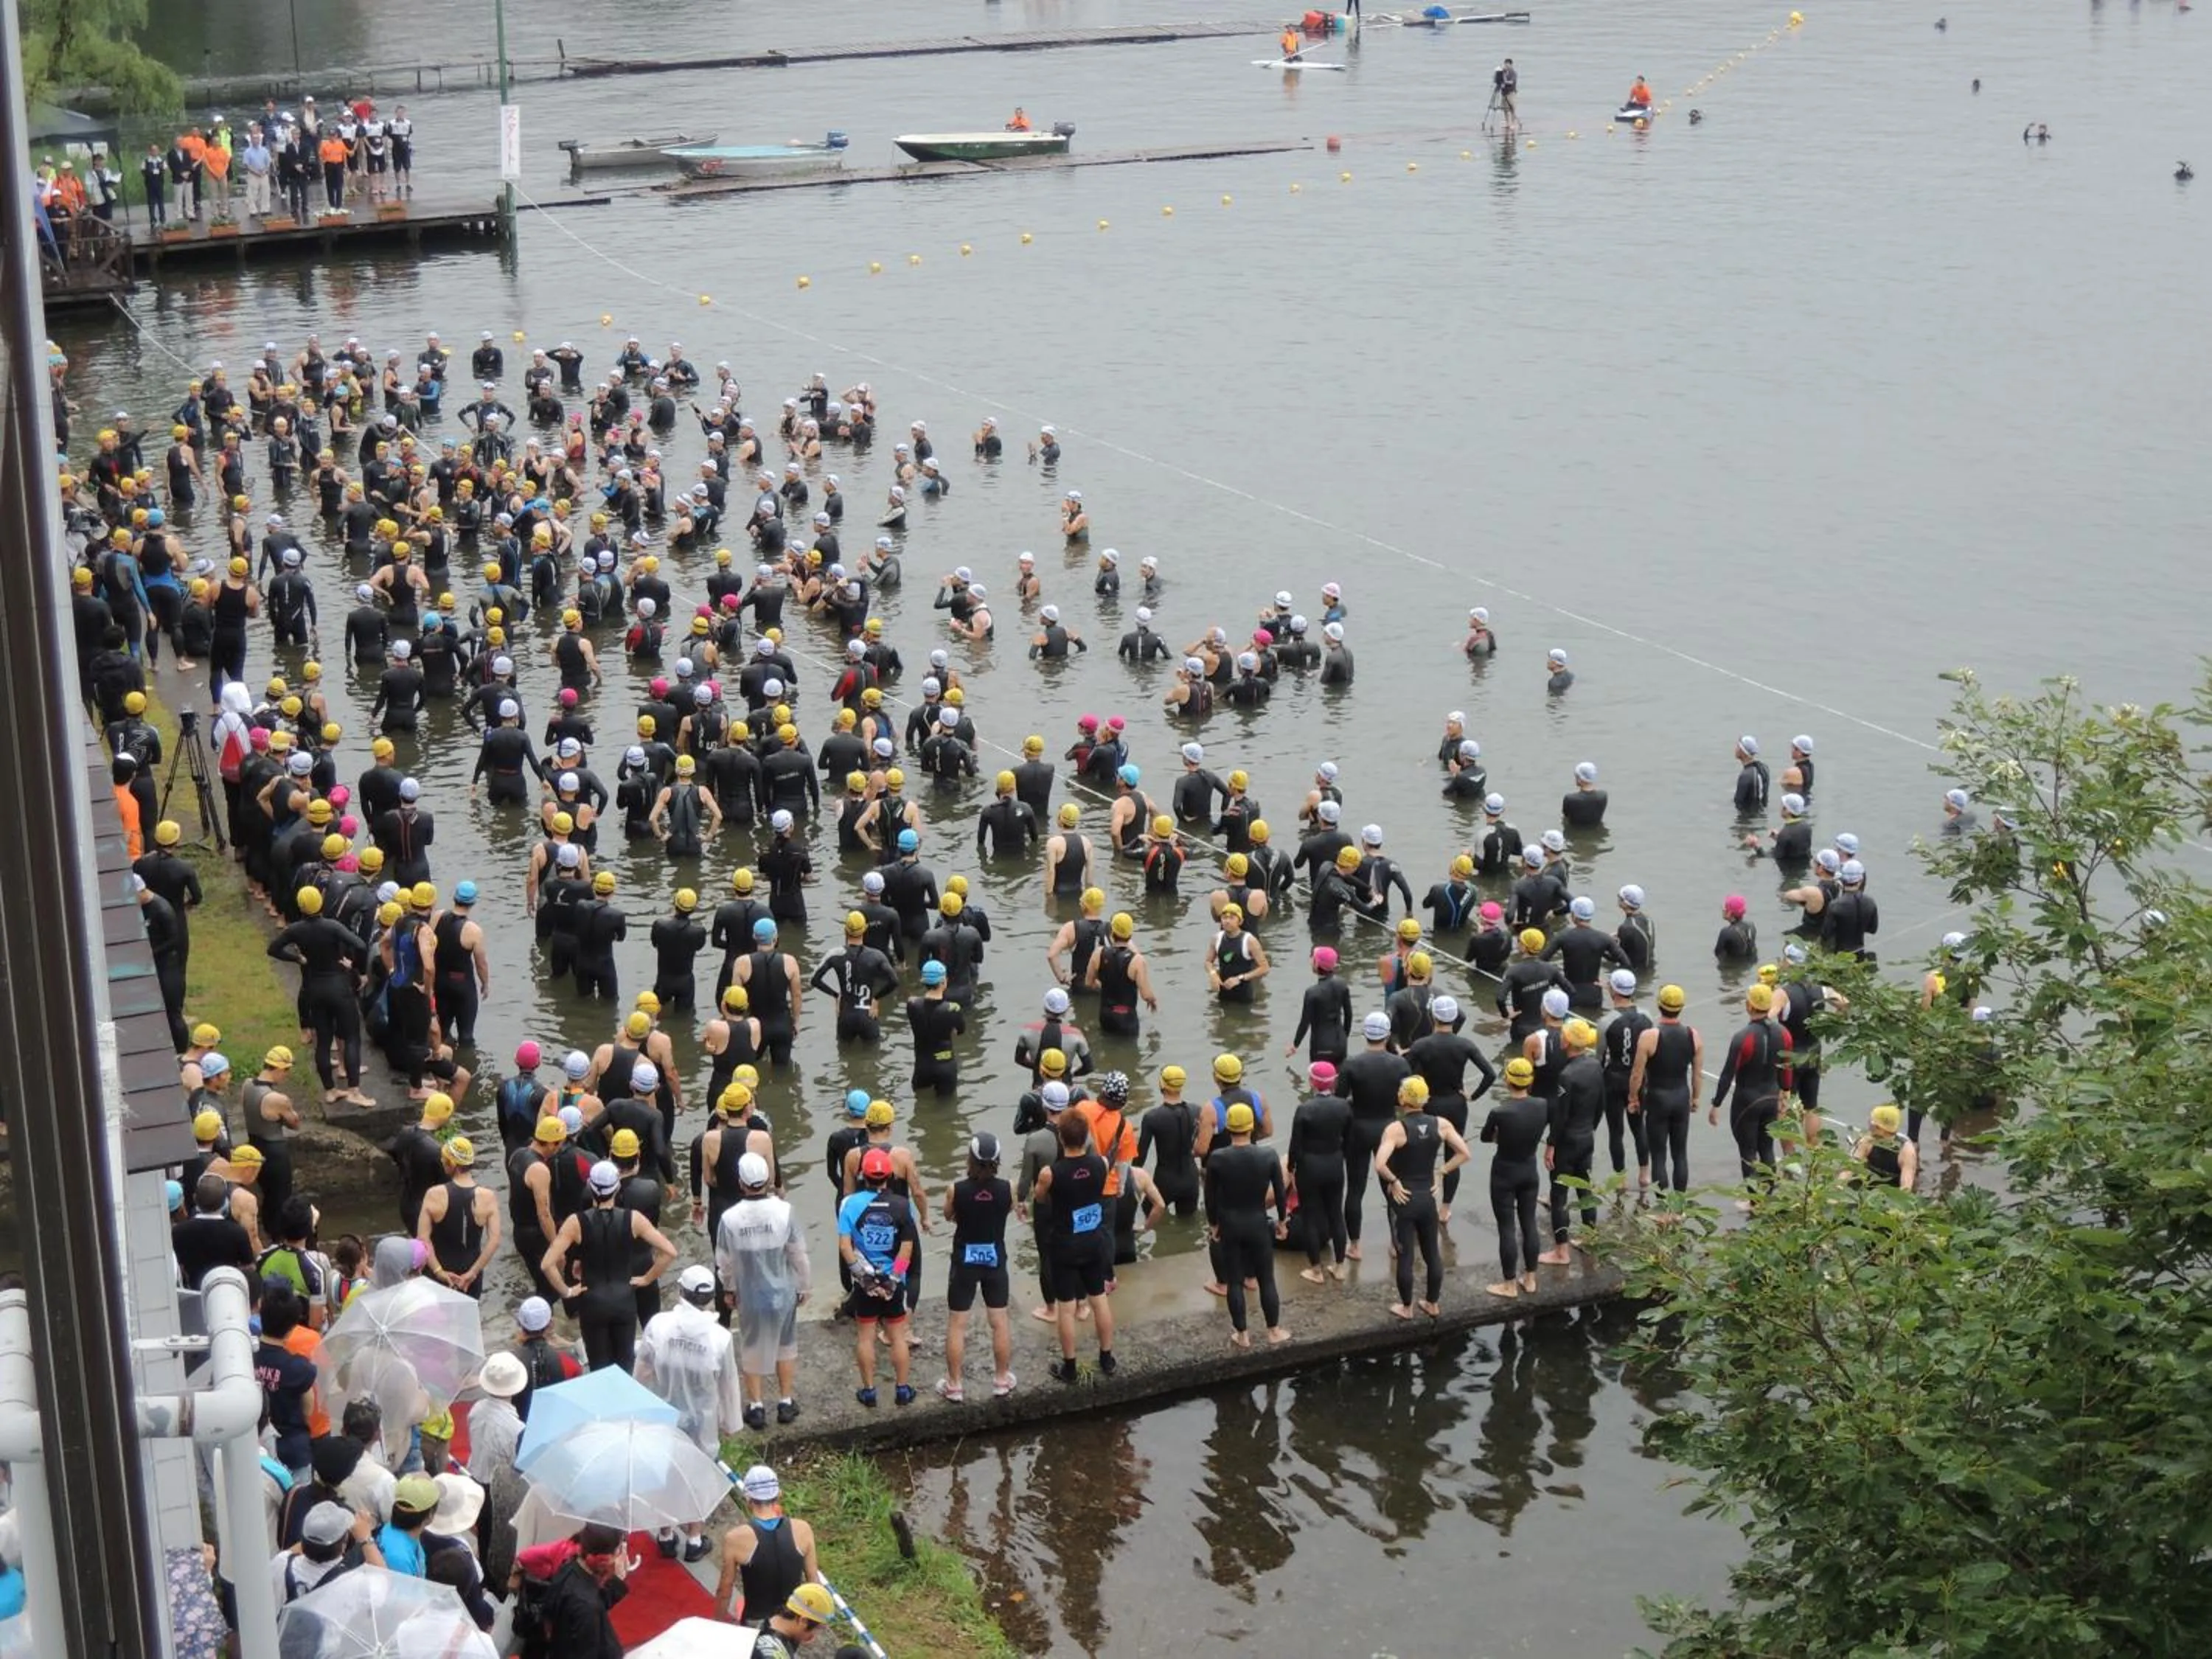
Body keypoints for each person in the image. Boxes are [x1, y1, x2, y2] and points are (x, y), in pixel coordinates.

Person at [636, 1264, 744, 1560]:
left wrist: (636, 1403)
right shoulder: (720, 1338)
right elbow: (728, 1384)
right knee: (697, 1476)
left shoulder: (659, 1325)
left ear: (680, 1291)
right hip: (702, 1419)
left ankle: (666, 1533)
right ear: (710, 1297)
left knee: (664, 1473)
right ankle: (695, 1540)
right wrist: (731, 1422)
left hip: (663, 1414)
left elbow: (642, 1368)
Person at [541, 1158, 677, 1372]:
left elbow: (547, 1264)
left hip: (592, 1301)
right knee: (625, 1367)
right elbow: (669, 1252)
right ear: (617, 1188)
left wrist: (566, 1291)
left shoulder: (575, 1222)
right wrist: (647, 1278)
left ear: (591, 1188)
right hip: (624, 1299)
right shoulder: (634, 1219)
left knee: (599, 1369)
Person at [715, 1151, 811, 1427]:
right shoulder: (784, 1211)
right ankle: (785, 1401)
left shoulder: (730, 1219)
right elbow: (798, 1254)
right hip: (783, 1292)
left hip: (750, 1294)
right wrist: (804, 1285)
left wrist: (729, 1289)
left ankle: (756, 1406)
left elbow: (725, 1261)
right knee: (786, 1344)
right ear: (768, 1179)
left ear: (741, 1182)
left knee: (752, 1346)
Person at [1373, 1076, 1470, 1320]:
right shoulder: (1441, 1124)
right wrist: (1441, 1172)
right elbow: (1464, 1153)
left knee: (1405, 1256)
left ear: (1402, 1098)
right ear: (1426, 1099)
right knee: (1431, 1253)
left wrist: (1394, 1182)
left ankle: (1406, 1308)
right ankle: (1432, 1304)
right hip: (1428, 1197)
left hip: (1403, 1200)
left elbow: (1379, 1164)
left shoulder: (1396, 1129)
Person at [1031, 1112, 1117, 1382]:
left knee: (1066, 1308)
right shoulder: (1101, 1163)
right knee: (1099, 1300)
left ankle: (1070, 1367)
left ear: (1060, 1136)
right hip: (1094, 1241)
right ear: (1086, 1136)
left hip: (1065, 1244)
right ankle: (1107, 1358)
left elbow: (1040, 1198)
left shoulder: (1050, 1173)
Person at [937, 1132, 1016, 1402]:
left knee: (958, 1324)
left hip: (964, 1260)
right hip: (995, 1258)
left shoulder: (956, 1189)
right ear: (997, 1160)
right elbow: (1006, 1210)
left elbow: (949, 1216)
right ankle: (1002, 1380)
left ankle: (955, 1385)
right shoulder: (1009, 1188)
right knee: (999, 1321)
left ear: (970, 1158)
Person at [838, 1147, 919, 1406]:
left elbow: (844, 1246)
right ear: (890, 1175)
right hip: (893, 1283)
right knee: (897, 1336)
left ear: (862, 1174)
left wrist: (864, 1278)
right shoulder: (903, 1205)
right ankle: (903, 1390)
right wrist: (893, 1279)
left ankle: (870, 1391)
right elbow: (908, 1247)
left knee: (865, 1336)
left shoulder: (849, 1204)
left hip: (865, 1284)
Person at [1204, 1102, 1290, 1349]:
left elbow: (1210, 1197)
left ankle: (1242, 1336)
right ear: (1252, 1126)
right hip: (1257, 1221)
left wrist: (1214, 1225)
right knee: (1266, 1279)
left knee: (1234, 1281)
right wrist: (1282, 1221)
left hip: (1230, 1224)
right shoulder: (1268, 1156)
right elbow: (1280, 1192)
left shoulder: (1218, 1158)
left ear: (1229, 1127)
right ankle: (1273, 1331)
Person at [714, 1464, 823, 1629]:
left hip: (755, 1623)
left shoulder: (735, 1538)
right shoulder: (803, 1530)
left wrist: (718, 1625)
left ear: (748, 1498)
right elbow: (814, 1583)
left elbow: (725, 1590)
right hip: (791, 1624)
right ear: (779, 1494)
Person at [1481, 1058, 1548, 1297]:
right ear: (1530, 1081)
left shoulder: (1499, 1112)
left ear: (1507, 1079)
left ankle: (1509, 1284)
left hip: (1504, 1172)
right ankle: (1530, 1279)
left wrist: (1500, 1137)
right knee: (1529, 1223)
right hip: (1530, 1170)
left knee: (1507, 1228)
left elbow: (1486, 1137)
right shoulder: (1542, 1105)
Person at [520, 1523, 628, 1659]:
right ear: (603, 1560)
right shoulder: (587, 1607)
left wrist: (615, 1583)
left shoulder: (569, 1568)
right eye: (619, 1551)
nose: (622, 1556)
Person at [415, 1137, 500, 1297]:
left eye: (444, 1159)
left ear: (452, 1164)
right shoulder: (488, 1197)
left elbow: (423, 1239)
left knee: (438, 1320)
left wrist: (439, 1271)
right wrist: (473, 1272)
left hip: (439, 1272)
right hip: (471, 1276)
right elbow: (494, 1241)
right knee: (467, 1319)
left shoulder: (434, 1194)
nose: (441, 1161)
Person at [751, 1582, 841, 1658]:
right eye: (818, 1629)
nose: (815, 1636)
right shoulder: (771, 1653)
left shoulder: (764, 1623)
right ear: (804, 1621)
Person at [1852, 1103, 1918, 1190]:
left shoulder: (1907, 1151)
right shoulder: (1867, 1141)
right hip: (1870, 1184)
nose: (1869, 1124)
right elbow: (1849, 1167)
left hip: (1892, 1190)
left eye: (1872, 1122)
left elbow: (1906, 1188)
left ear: (1880, 1128)